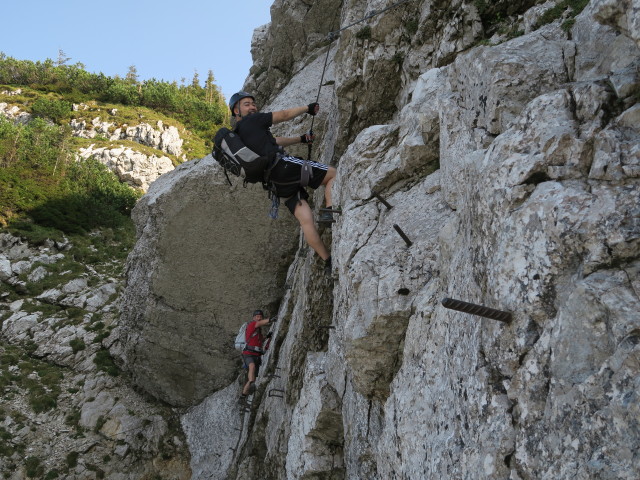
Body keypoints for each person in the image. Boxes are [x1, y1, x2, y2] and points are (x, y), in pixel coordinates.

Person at [229, 91, 336, 272]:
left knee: (306, 221)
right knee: (333, 174)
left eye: (253, 104)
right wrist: (307, 109)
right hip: (283, 167)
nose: (253, 107)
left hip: (275, 183)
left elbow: (275, 141)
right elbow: (284, 115)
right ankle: (330, 210)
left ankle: (327, 260)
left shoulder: (239, 135)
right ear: (236, 110)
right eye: (246, 104)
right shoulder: (254, 121)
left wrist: (301, 139)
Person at [241, 309, 275, 400]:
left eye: (260, 317)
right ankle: (251, 383)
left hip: (256, 355)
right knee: (251, 367)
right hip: (248, 354)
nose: (259, 318)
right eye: (257, 317)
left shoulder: (257, 331)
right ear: (253, 318)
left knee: (253, 376)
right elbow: (260, 323)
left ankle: (243, 395)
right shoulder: (252, 325)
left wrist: (267, 337)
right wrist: (270, 320)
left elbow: (260, 340)